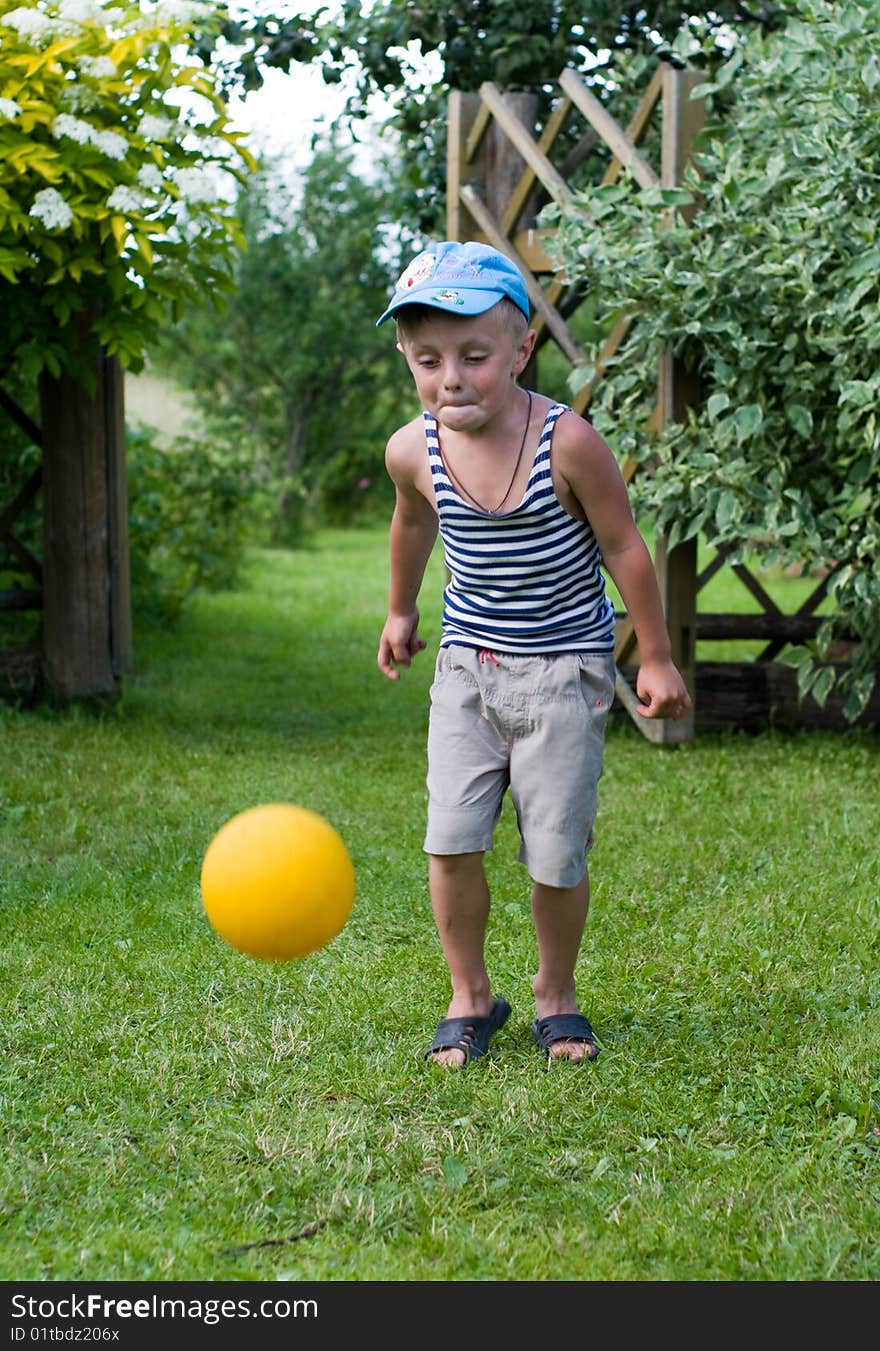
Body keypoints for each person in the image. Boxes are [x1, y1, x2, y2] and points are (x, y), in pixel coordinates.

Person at [375, 240, 691, 1069]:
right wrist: (402, 608)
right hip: (466, 673)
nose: (451, 378)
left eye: (475, 356)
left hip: (564, 674)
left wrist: (652, 656)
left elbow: (624, 548)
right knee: (450, 838)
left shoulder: (568, 443)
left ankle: (557, 994)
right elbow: (414, 523)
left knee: (555, 850)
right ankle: (470, 995)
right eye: (428, 359)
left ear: (520, 349)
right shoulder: (414, 449)